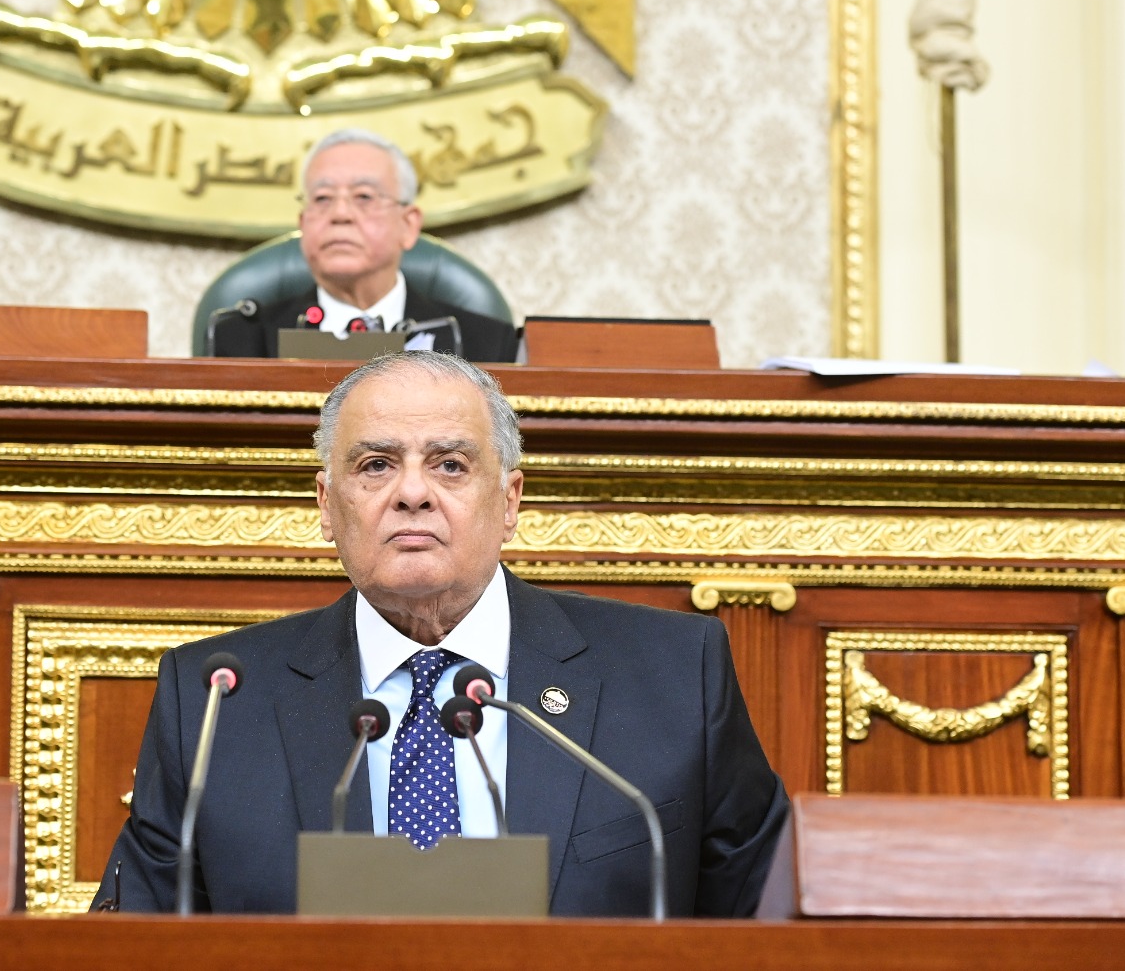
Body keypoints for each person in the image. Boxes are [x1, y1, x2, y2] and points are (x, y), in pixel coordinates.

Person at [93, 352, 788, 916]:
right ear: (326, 505)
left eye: (450, 464)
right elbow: (133, 943)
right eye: (375, 465)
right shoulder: (216, 704)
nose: (413, 493)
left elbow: (769, 918)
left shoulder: (675, 674)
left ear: (509, 501)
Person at [209, 129, 521, 363]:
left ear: (408, 225)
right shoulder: (243, 341)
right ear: (303, 223)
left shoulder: (486, 344)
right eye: (322, 199)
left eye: (363, 197)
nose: (340, 214)